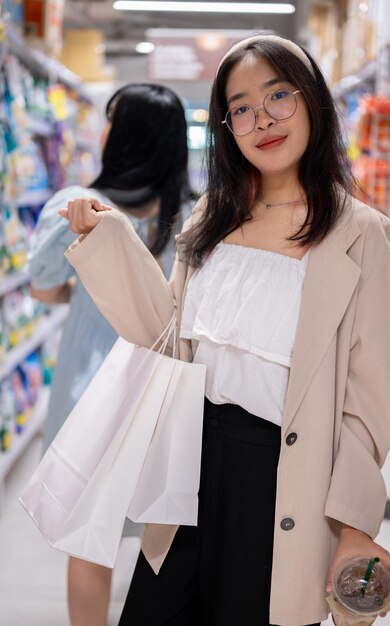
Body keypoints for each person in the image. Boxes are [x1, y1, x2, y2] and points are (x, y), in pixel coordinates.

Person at [59, 35, 390, 626]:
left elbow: (366, 413)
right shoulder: (212, 218)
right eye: (242, 107)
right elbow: (165, 340)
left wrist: (354, 529)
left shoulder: (369, 241)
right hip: (188, 472)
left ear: (315, 104)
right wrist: (111, 240)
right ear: (226, 126)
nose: (263, 119)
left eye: (280, 94)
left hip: (279, 482)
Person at [28, 83, 195, 626]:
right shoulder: (193, 217)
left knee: (88, 533)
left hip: (89, 385)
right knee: (165, 532)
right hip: (166, 387)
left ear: (122, 136)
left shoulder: (75, 206)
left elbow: (44, 286)